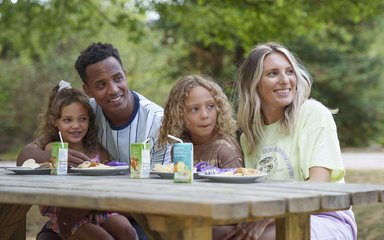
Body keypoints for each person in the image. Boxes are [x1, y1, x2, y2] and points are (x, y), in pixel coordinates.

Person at [16, 42, 170, 239]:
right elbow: (27, 155)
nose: (113, 90)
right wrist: (52, 154)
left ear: (125, 74)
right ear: (88, 90)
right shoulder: (84, 113)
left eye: (117, 78)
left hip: (135, 213)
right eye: (100, 84)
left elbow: (159, 197)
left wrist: (88, 204)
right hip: (82, 210)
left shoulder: (158, 122)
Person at [221, 42, 357, 240]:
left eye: (290, 72)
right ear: (253, 83)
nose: (285, 80)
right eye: (273, 74)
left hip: (325, 217)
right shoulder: (249, 137)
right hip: (274, 219)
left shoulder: (312, 113)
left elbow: (319, 184)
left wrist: (267, 217)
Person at [37, 80, 138, 240]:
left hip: (97, 208)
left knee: (127, 231)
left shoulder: (95, 148)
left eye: (82, 119)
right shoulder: (54, 148)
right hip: (67, 211)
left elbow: (109, 170)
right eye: (68, 120)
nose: (76, 126)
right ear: (55, 122)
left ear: (89, 120)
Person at [157, 74, 243, 168]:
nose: (204, 115)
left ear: (219, 108)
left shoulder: (225, 149)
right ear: (178, 114)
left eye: (210, 106)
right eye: (195, 109)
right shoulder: (181, 147)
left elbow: (235, 180)